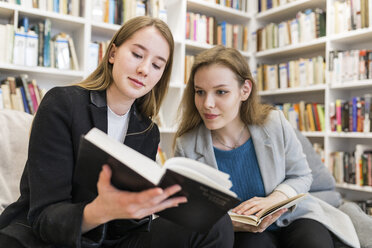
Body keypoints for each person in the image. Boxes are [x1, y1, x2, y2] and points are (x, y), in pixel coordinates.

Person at [0, 17, 234, 248]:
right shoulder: (62, 104)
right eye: (137, 55)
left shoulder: (147, 130)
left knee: (216, 223)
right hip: (53, 237)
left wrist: (144, 207)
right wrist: (100, 211)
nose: (144, 70)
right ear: (112, 54)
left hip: (113, 240)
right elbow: (44, 218)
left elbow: (130, 228)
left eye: (156, 65)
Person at [173, 45, 360, 248]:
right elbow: (190, 210)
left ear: (245, 90)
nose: (207, 103)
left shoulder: (274, 123)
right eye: (200, 92)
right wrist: (226, 221)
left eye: (221, 92)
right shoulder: (187, 146)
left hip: (295, 216)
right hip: (243, 231)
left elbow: (302, 175)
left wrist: (275, 199)